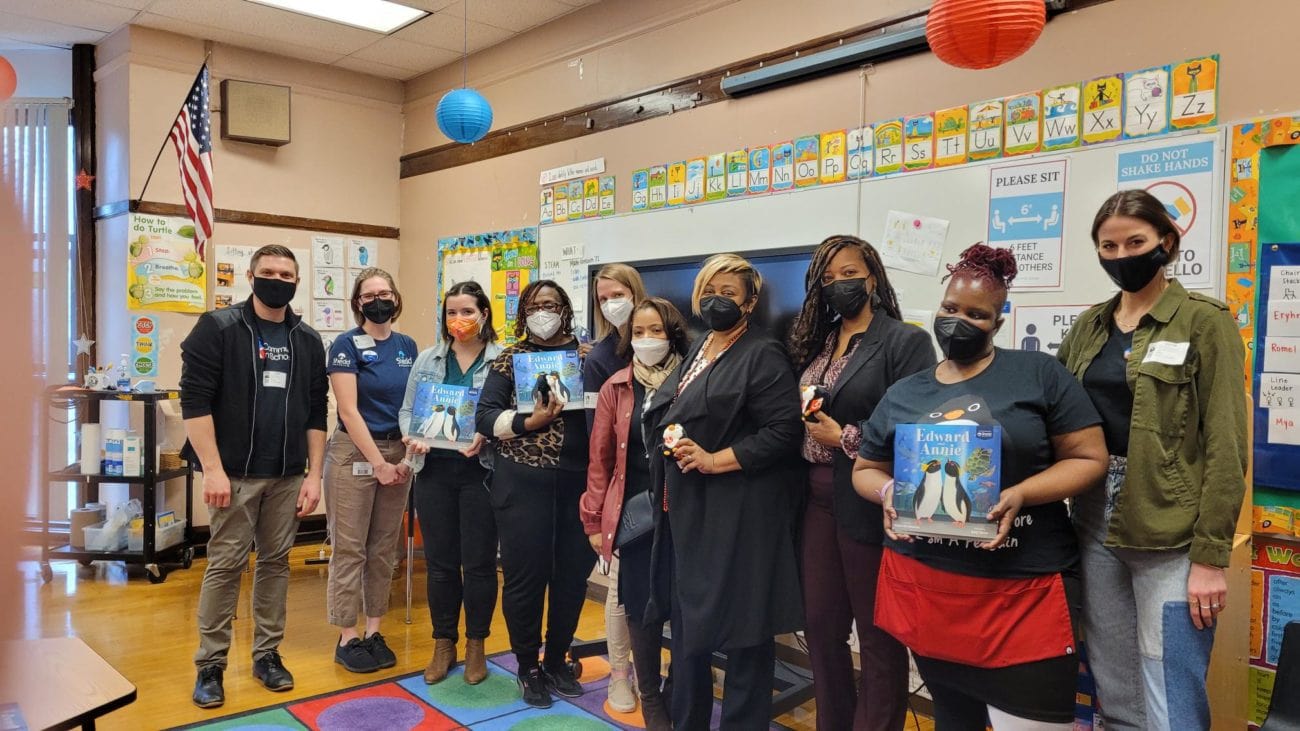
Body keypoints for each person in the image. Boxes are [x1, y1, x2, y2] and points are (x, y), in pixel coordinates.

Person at [852, 244, 1108, 729]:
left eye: (976, 313)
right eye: (950, 309)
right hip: (929, 592)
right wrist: (890, 494)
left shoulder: (1038, 375)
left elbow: (1089, 458)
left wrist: (1022, 493)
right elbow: (865, 469)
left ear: (999, 319)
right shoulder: (906, 391)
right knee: (953, 720)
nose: (958, 321)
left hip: (1023, 593)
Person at [1058, 190, 1248, 730]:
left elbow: (1227, 446)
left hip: (1172, 531)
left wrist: (1210, 557)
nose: (1122, 255)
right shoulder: (1089, 327)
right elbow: (1054, 412)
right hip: (1094, 521)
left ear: (1166, 242)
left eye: (1135, 242)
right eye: (1108, 245)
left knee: (1171, 691)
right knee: (1116, 690)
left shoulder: (1204, 322)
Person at [644, 253, 804, 729]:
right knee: (692, 628)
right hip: (692, 512)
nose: (717, 301)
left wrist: (716, 460)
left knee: (745, 634)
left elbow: (783, 431)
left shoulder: (762, 353)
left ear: (751, 302)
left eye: (729, 293)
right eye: (710, 291)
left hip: (741, 515)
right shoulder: (701, 345)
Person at [786, 235, 936, 731]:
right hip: (816, 502)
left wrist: (845, 436)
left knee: (877, 637)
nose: (839, 285)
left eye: (849, 274)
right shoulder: (818, 342)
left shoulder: (904, 341)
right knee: (822, 629)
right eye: (828, 279)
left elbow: (916, 431)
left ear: (872, 276)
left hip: (872, 501)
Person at [181, 245, 328, 708]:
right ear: (250, 276)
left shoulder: (307, 339)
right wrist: (212, 470)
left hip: (287, 475)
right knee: (225, 567)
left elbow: (316, 413)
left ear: (297, 281)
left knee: (274, 565)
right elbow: (195, 402)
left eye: (286, 273)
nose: (277, 279)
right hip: (234, 475)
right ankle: (211, 664)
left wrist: (314, 476)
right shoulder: (218, 328)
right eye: (268, 272)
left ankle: (267, 655)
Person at [475, 279, 596, 709]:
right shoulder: (511, 358)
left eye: (551, 304)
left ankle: (558, 659)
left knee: (571, 577)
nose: (543, 311)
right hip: (522, 482)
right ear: (523, 313)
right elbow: (485, 417)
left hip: (579, 485)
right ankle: (528, 665)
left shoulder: (589, 357)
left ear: (566, 309)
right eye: (534, 305)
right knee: (526, 580)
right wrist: (530, 422)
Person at [581, 297, 690, 730]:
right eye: (639, 332)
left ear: (674, 334)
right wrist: (593, 520)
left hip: (688, 515)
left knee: (685, 608)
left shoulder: (695, 380)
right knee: (642, 608)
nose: (647, 340)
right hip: (637, 517)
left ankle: (675, 687)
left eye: (657, 331)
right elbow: (600, 461)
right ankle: (650, 696)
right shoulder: (617, 387)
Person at [400, 281, 503, 685]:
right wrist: (411, 435)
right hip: (434, 472)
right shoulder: (428, 359)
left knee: (478, 565)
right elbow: (408, 410)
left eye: (467, 311)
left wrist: (488, 432)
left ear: (484, 314)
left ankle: (477, 644)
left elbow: (507, 413)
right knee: (440, 565)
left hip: (481, 472)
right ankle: (444, 642)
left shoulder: (502, 360)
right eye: (451, 313)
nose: (458, 320)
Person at [323, 268, 417, 673]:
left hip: (399, 452)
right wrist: (377, 463)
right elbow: (348, 409)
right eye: (369, 295)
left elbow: (417, 401)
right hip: (355, 452)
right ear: (357, 302)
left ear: (396, 298)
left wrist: (406, 456)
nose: (378, 300)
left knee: (383, 550)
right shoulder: (345, 346)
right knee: (350, 549)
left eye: (385, 292)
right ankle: (347, 636)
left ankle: (374, 629)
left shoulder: (408, 346)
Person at [581, 262, 648, 713]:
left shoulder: (669, 345)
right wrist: (597, 507)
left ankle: (652, 673)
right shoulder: (600, 357)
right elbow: (598, 443)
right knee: (622, 588)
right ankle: (619, 674)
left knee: (656, 589)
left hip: (665, 485)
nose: (611, 303)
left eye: (617, 293)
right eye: (603, 298)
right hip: (621, 491)